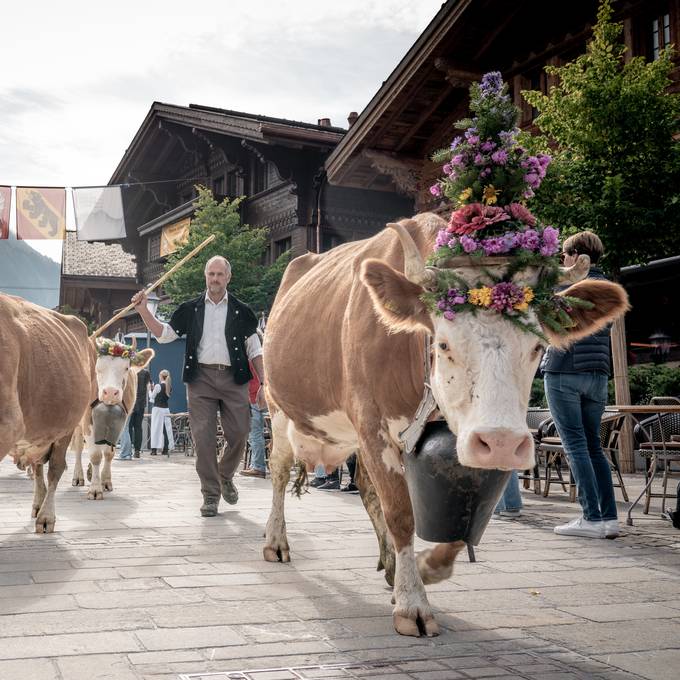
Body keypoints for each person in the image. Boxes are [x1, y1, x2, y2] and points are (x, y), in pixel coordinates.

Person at [131, 256, 264, 517]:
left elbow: (254, 349)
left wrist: (264, 383)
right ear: (206, 276)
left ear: (228, 277)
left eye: (219, 274)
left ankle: (225, 475)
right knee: (202, 439)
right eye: (211, 274)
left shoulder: (242, 310)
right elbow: (164, 334)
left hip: (234, 378)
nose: (214, 279)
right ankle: (211, 496)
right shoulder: (190, 309)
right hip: (200, 378)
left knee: (239, 433)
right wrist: (143, 310)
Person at [543, 231, 619, 539]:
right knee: (593, 447)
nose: (563, 260)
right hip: (598, 374)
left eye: (564, 255)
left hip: (564, 371)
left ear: (577, 256)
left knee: (575, 445)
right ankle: (609, 518)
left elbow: (547, 324)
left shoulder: (564, 285)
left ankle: (590, 518)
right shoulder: (610, 288)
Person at [240, 351, 268, 478]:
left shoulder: (249, 359)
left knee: (255, 435)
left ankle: (258, 467)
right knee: (276, 435)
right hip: (268, 397)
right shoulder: (266, 357)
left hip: (253, 398)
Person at [129, 364, 151, 458]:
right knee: (138, 427)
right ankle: (137, 450)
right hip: (141, 404)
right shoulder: (146, 372)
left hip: (130, 403)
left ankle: (128, 449)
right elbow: (149, 386)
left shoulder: (130, 371)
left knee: (128, 427)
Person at [150, 369, 174, 456]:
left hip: (157, 409)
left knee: (155, 429)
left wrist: (150, 390)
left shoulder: (157, 386)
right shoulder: (169, 387)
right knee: (166, 429)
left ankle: (154, 450)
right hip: (166, 409)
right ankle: (165, 449)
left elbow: (152, 398)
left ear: (160, 376)